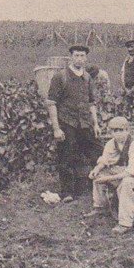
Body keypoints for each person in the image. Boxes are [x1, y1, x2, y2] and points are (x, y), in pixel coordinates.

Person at [46, 45, 101, 202]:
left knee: (97, 151)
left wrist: (95, 124)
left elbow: (91, 103)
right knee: (66, 156)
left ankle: (96, 185)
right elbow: (51, 103)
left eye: (82, 56)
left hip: (85, 122)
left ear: (86, 58)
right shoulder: (60, 77)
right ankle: (68, 192)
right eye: (76, 55)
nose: (79, 59)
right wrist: (56, 128)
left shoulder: (87, 78)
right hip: (67, 122)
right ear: (71, 57)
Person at [87, 116, 134, 234]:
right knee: (99, 174)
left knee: (127, 183)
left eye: (122, 130)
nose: (119, 133)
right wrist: (96, 169)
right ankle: (100, 206)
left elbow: (132, 171)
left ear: (127, 130)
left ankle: (125, 223)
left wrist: (109, 178)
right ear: (111, 132)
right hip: (126, 169)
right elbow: (105, 159)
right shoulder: (111, 143)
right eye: (115, 131)